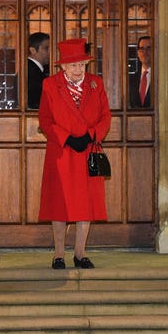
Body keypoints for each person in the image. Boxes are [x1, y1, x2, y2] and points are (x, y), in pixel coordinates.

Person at [38, 38, 111, 269]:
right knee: (59, 204)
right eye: (73, 66)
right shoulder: (50, 85)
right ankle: (58, 254)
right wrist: (67, 138)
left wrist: (90, 136)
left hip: (87, 151)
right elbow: (45, 121)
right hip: (61, 152)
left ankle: (80, 253)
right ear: (62, 67)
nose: (79, 70)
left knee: (85, 205)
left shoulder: (96, 84)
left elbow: (106, 117)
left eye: (82, 65)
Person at [27, 32, 50, 109]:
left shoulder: (36, 69)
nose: (50, 52)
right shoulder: (29, 71)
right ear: (33, 50)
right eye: (46, 48)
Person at [129, 36, 152, 108]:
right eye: (142, 49)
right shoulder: (130, 80)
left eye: (148, 48)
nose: (145, 52)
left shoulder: (160, 78)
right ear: (138, 53)